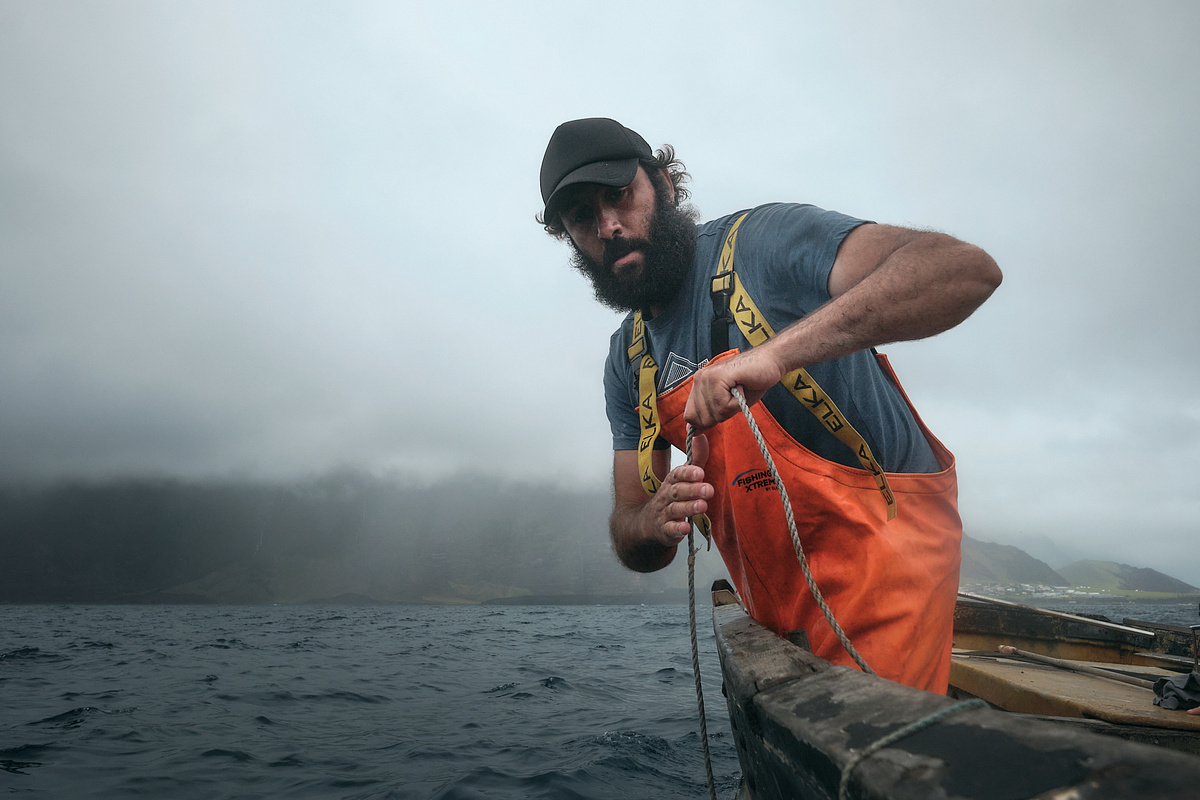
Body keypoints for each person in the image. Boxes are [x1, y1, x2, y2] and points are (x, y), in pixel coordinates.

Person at [537, 117, 1002, 692]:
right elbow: (633, 535)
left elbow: (963, 271)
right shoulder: (627, 361)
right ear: (569, 238)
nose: (609, 225)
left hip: (887, 570)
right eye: (583, 216)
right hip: (770, 606)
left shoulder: (763, 245)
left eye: (620, 195)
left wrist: (776, 355)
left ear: (664, 184)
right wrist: (654, 522)